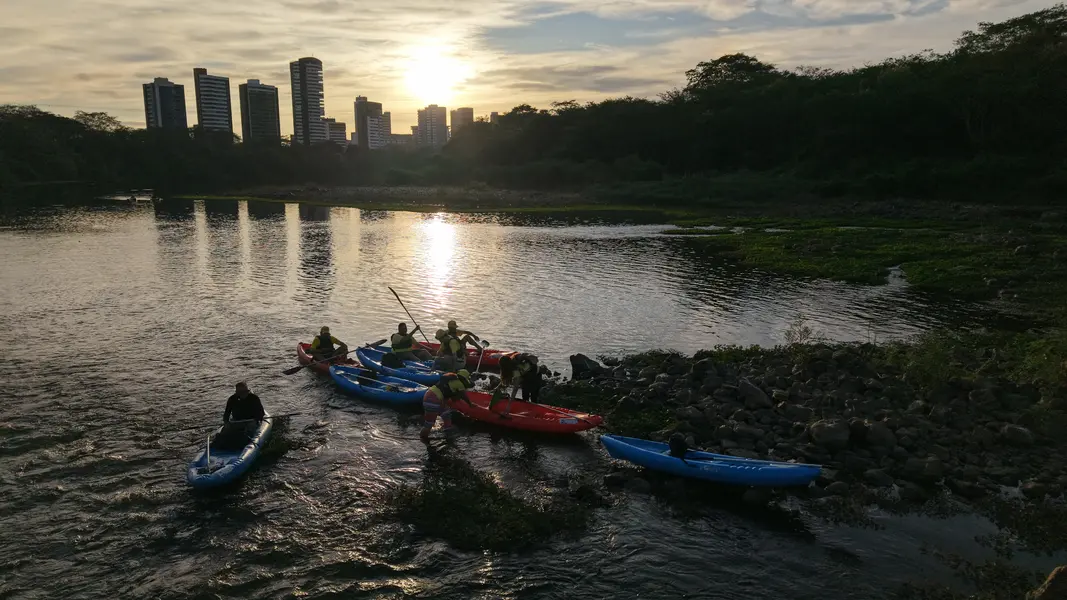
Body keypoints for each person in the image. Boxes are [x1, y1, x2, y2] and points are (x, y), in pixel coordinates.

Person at [420, 369, 474, 441]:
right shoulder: (459, 383)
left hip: (430, 395)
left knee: (446, 413)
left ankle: (447, 431)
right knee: (429, 423)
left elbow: (451, 396)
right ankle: (423, 438)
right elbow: (463, 395)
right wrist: (470, 404)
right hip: (433, 400)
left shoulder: (450, 380)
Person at [213, 382, 266, 451]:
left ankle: (245, 444)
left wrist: (255, 420)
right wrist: (226, 422)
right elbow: (226, 414)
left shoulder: (254, 398)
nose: (243, 394)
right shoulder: (232, 399)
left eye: (244, 392)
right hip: (236, 421)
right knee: (225, 431)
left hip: (251, 421)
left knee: (248, 431)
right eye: (240, 393)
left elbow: (261, 413)